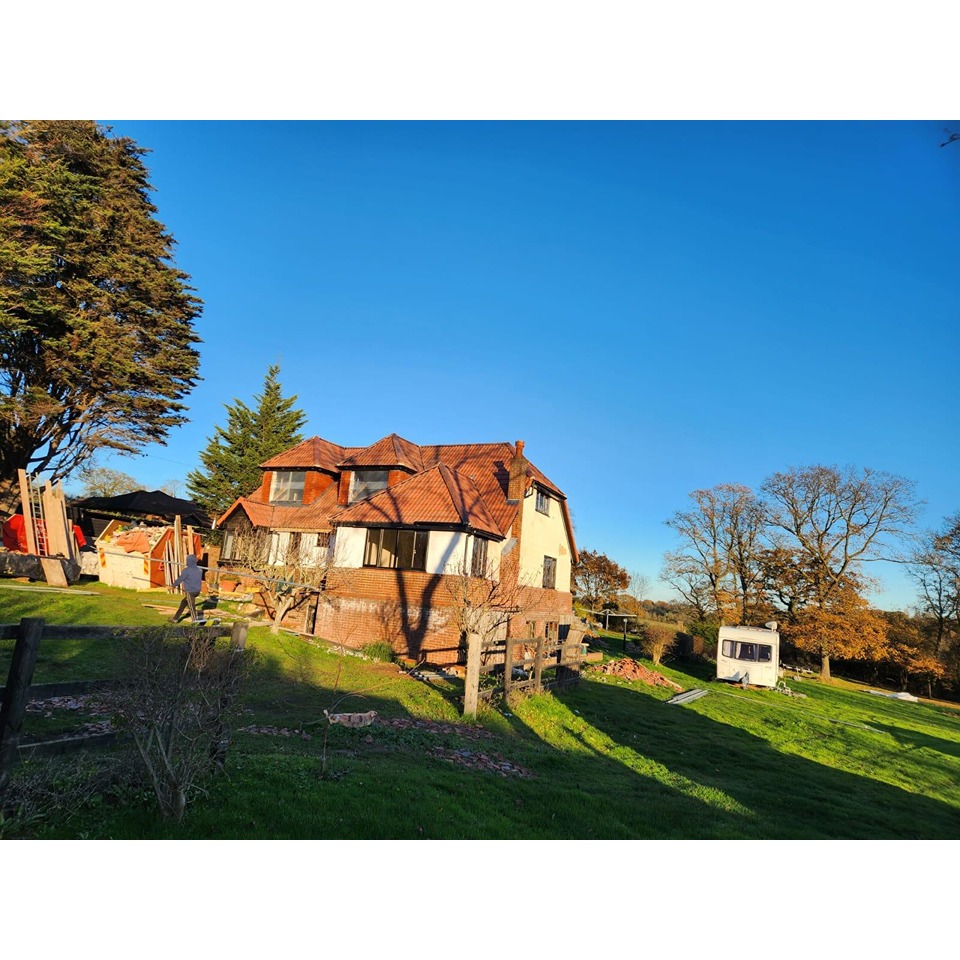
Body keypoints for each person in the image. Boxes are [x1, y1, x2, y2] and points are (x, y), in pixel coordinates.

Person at [169, 554, 203, 623]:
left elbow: (180, 579)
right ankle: (175, 619)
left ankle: (195, 621)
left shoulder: (186, 571)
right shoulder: (200, 570)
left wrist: (172, 586)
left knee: (191, 606)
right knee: (183, 603)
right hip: (197, 591)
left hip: (190, 592)